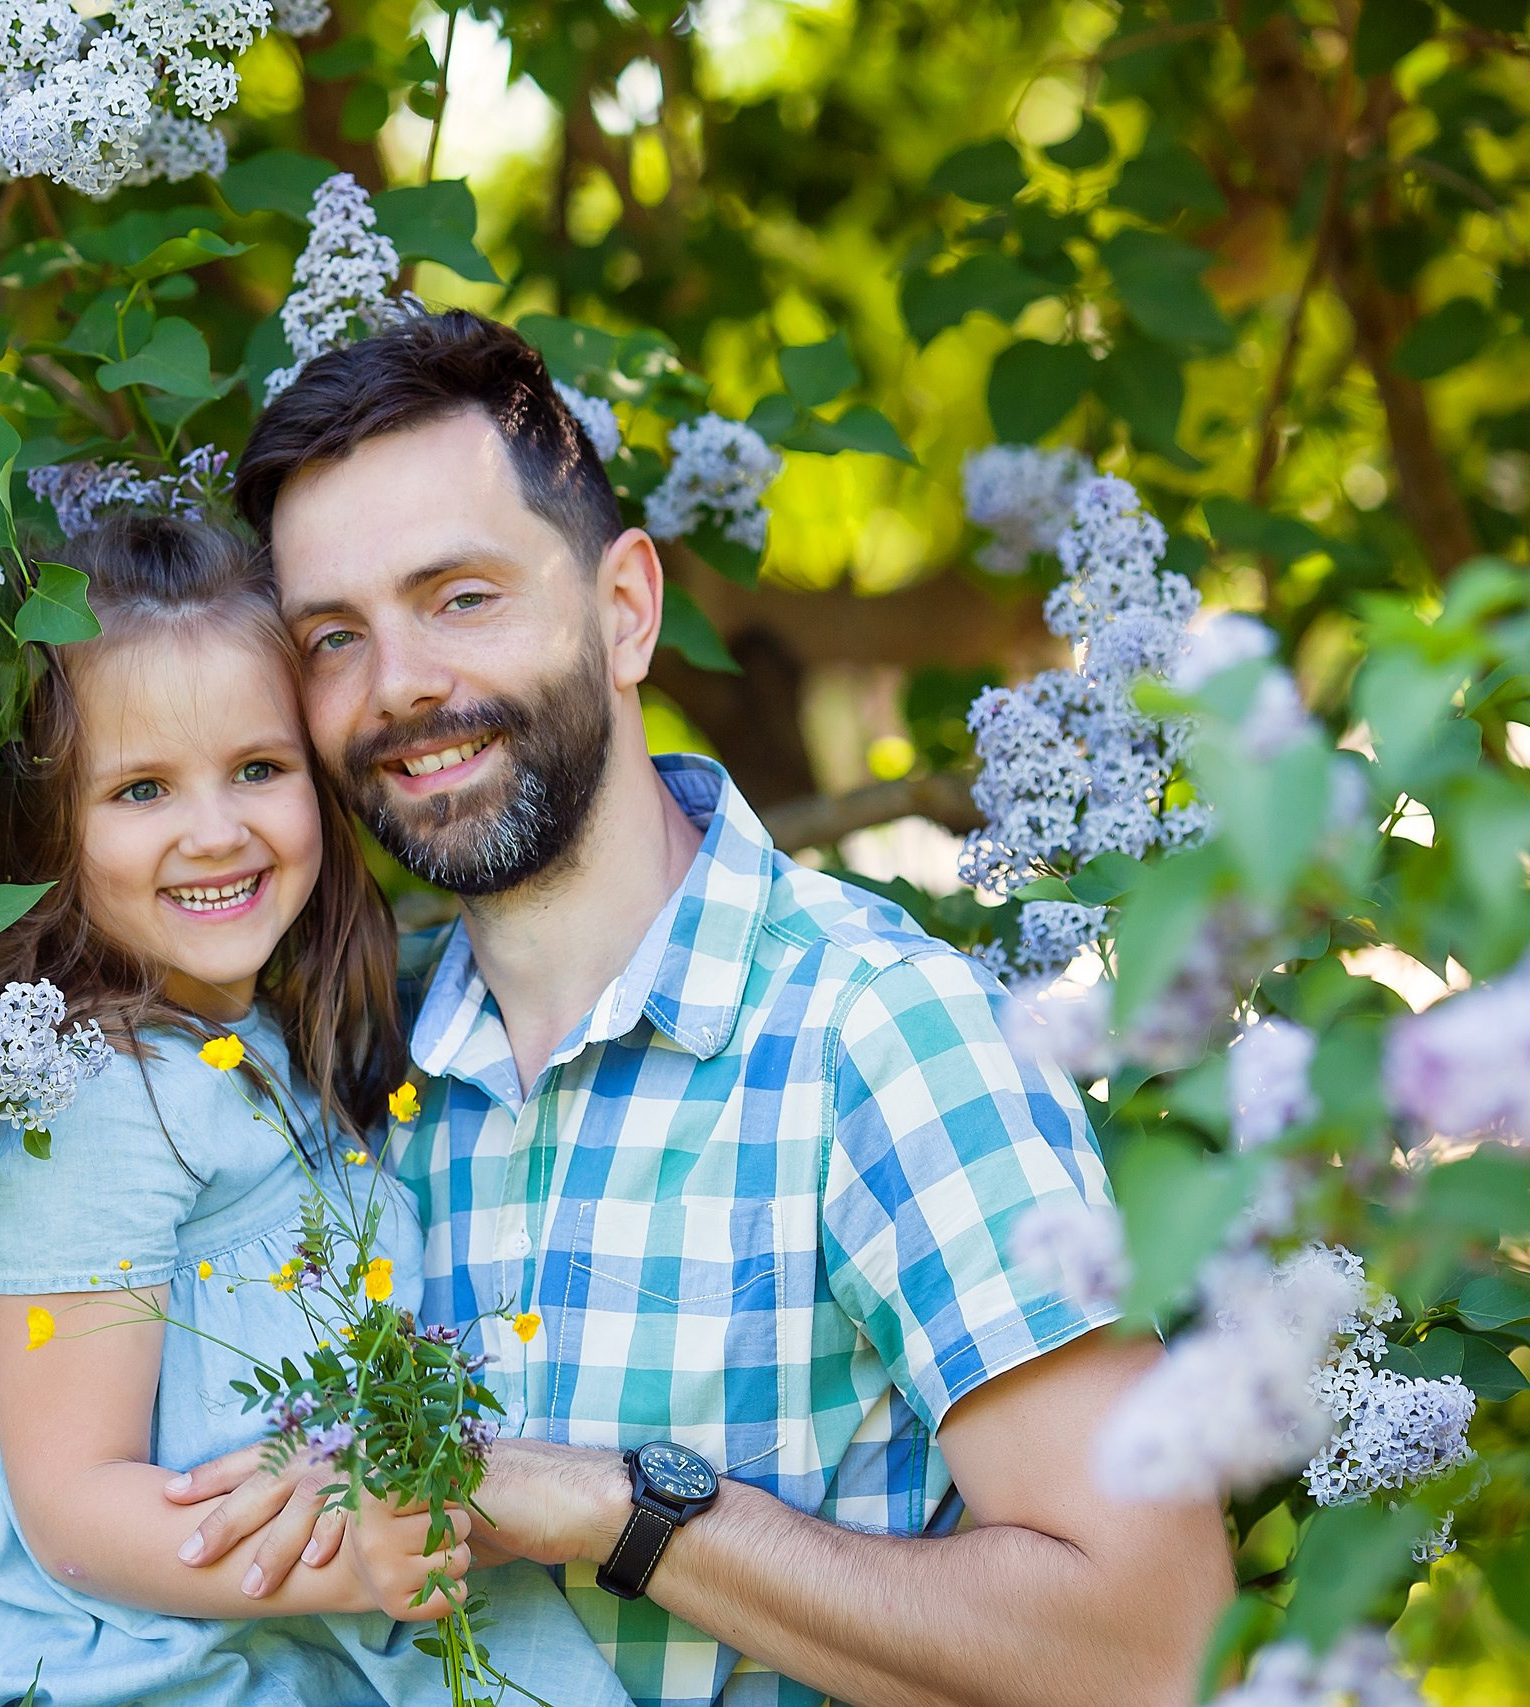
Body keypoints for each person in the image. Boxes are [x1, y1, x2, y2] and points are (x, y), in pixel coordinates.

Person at [161, 312, 1235, 1707]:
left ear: (626, 609)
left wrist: (619, 1508)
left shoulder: (885, 1036)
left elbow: (1153, 1643)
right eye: (333, 637)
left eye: (461, 596)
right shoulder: (339, 1078)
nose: (402, 683)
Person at [0, 513, 635, 1707]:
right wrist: (351, 1546)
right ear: (50, 831)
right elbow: (70, 1509)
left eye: (258, 770)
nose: (215, 830)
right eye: (139, 789)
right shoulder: (89, 1103)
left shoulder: (257, 1053)